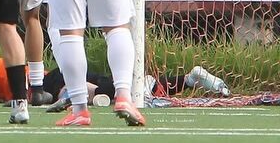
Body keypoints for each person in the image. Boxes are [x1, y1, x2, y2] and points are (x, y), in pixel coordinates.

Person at [44, 65, 231, 112]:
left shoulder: (44, 81)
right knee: (108, 89)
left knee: (93, 91)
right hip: (74, 75)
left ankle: (140, 88)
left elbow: (65, 88)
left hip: (62, 80)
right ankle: (189, 79)